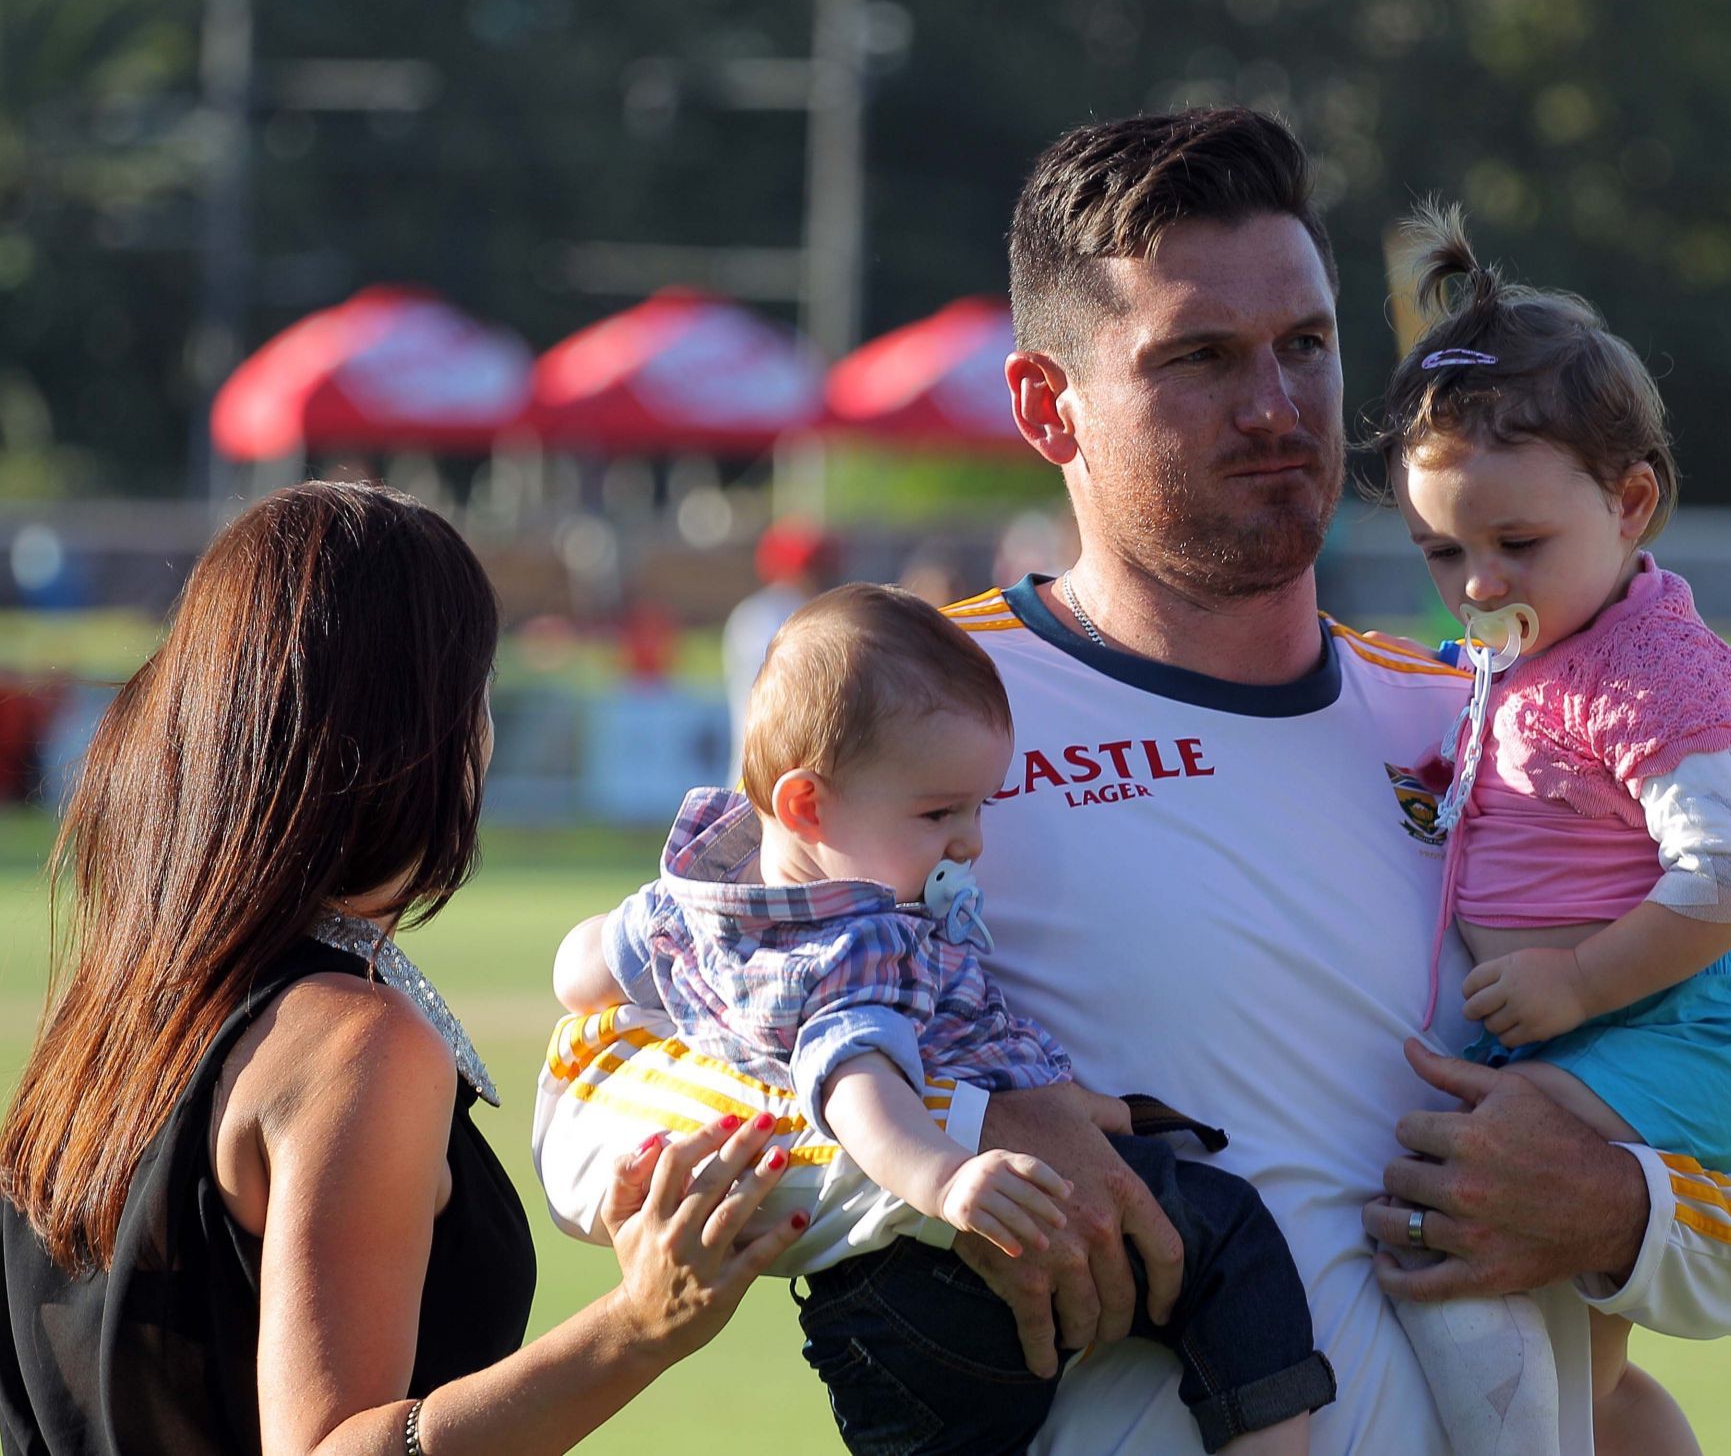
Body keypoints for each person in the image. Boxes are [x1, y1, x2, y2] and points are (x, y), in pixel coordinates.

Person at [536, 107, 1731, 1454]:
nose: (1275, 406)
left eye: (1308, 348)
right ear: (1048, 405)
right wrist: (962, 1135)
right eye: (1199, 358)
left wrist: (1619, 1208)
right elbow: (595, 1085)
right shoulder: (914, 714)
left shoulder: (1496, 721)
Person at [0, 481, 808, 1455]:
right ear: (416, 729)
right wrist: (637, 1324)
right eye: (477, 690)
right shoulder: (356, 1044)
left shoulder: (123, 1009)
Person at [543, 581, 1334, 1455]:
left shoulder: (689, 902)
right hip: (945, 1246)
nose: (971, 842)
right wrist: (947, 1180)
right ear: (809, 805)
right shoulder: (857, 941)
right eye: (939, 813)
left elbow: (582, 967)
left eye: (977, 808)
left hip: (870, 1311)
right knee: (1233, 1249)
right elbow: (854, 1084)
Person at [1361, 203, 1731, 1454]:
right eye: (1441, 547)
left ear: (1631, 506)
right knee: (1600, 1378)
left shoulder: (1641, 664)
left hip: (1673, 1032)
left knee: (1461, 1231)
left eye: (1517, 541)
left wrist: (1577, 978)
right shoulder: (1535, 653)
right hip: (1612, 1035)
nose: (1475, 584)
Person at [723, 519, 839, 778]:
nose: (820, 575)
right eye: (812, 567)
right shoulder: (761, 614)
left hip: (806, 763)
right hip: (764, 759)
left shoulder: (815, 609)